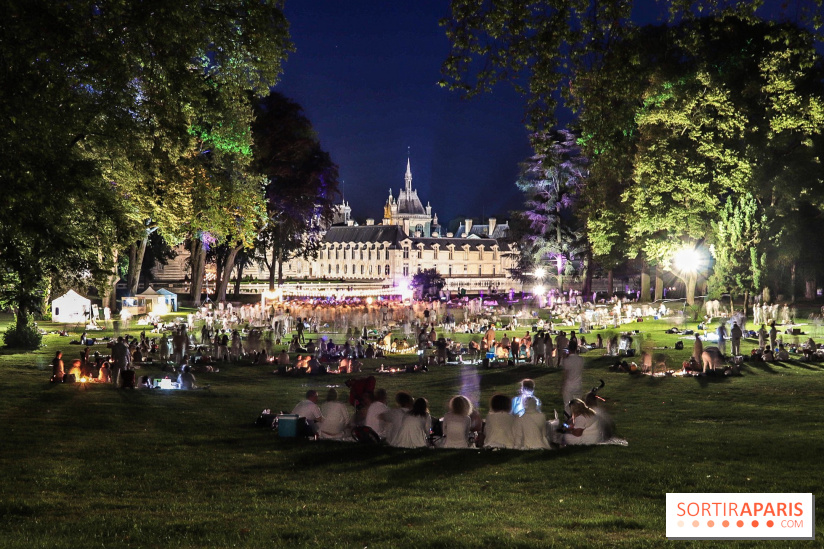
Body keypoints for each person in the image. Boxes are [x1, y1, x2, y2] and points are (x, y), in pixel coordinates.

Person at [561, 339, 584, 412]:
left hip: (569, 385)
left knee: (567, 405)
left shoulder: (567, 360)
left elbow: (565, 375)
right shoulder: (581, 359)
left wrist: (562, 386)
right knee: (578, 405)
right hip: (578, 384)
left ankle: (568, 417)